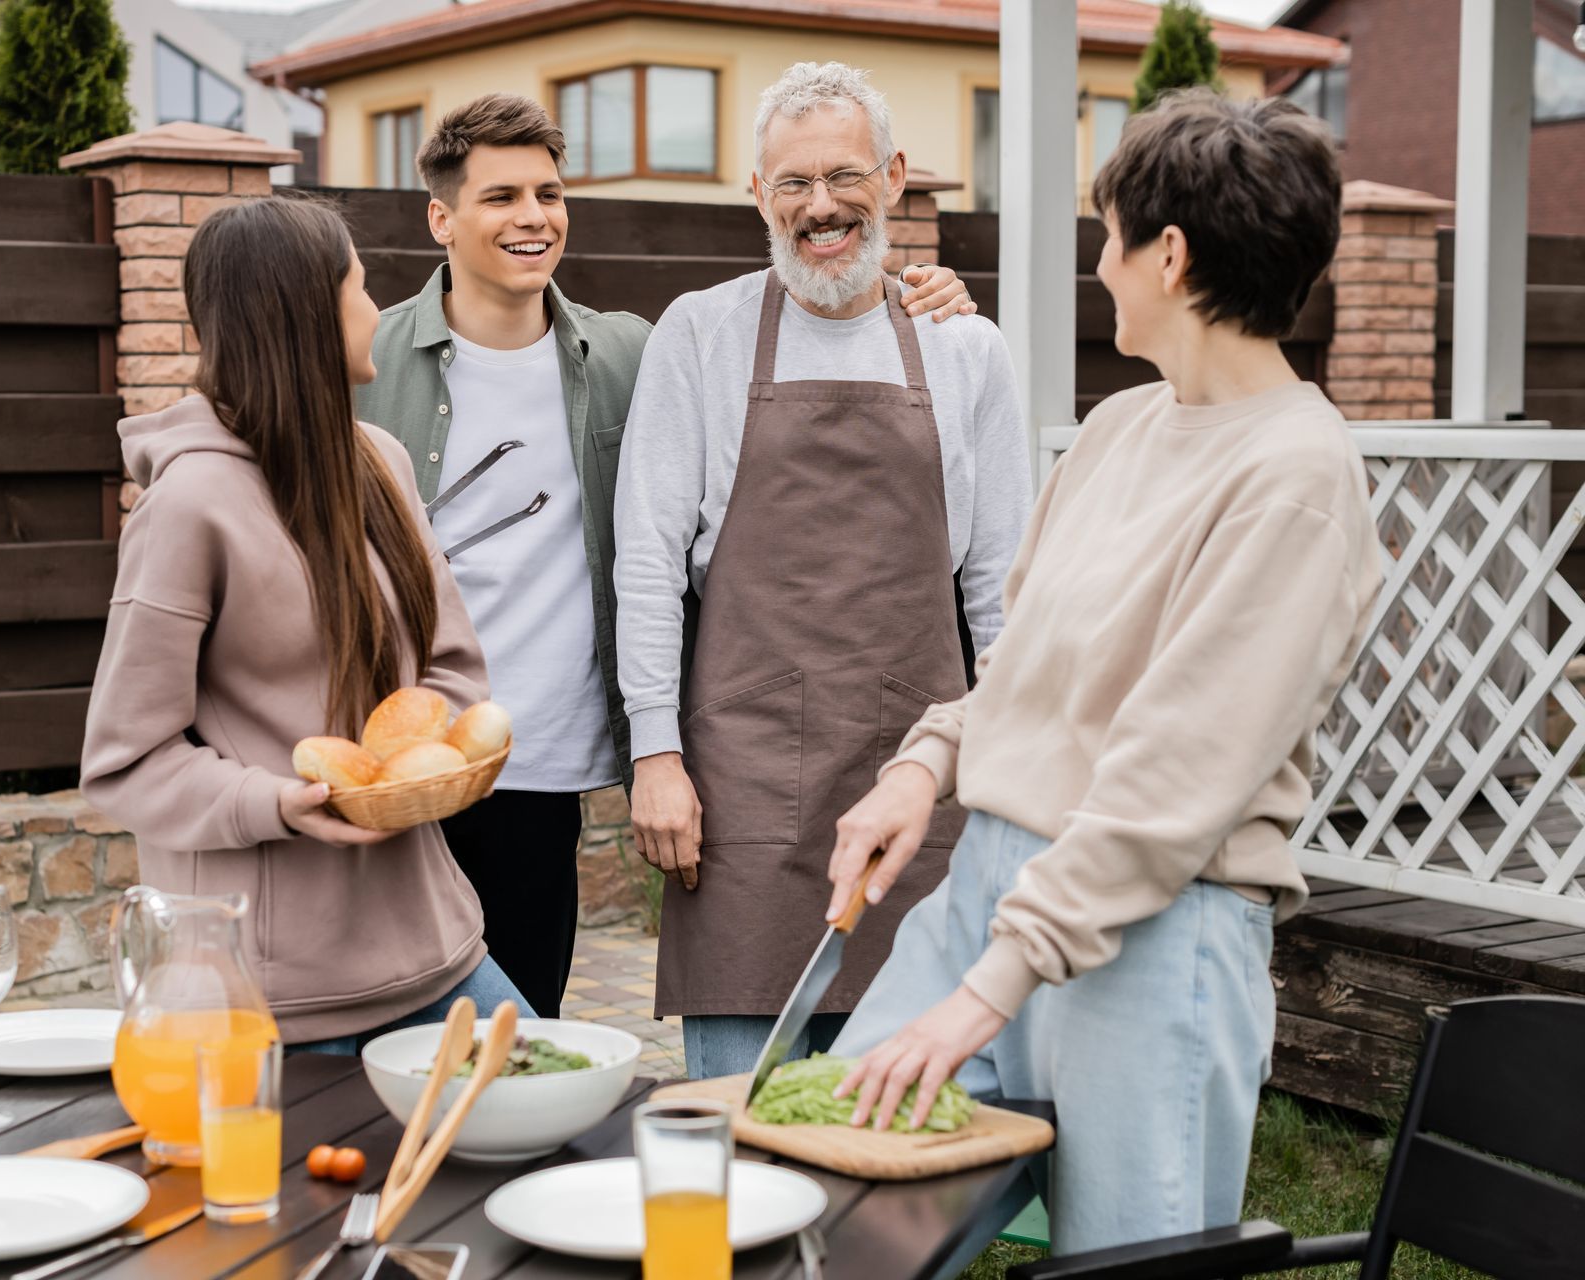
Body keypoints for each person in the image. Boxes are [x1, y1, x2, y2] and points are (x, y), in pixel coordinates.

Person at [823, 89, 1381, 1260]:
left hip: (1158, 926)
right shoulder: (1121, 428)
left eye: (1110, 233)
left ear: (1168, 255)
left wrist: (998, 981)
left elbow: (1177, 776)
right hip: (992, 881)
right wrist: (924, 766)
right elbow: (1022, 670)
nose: (1101, 261)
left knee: (1120, 1262)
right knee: (836, 1200)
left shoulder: (1295, 474)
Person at [354, 93, 980, 1018]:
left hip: (540, 760)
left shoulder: (625, 352)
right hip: (400, 749)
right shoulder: (370, 357)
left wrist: (917, 292)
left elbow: (812, 311)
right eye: (500, 197)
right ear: (442, 217)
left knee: (521, 1038)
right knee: (379, 1022)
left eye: (548, 193)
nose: (532, 217)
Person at [613, 62, 1032, 1080]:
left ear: (892, 178)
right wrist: (656, 753)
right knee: (737, 1121)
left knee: (903, 1124)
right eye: (791, 183)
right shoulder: (700, 334)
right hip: (743, 785)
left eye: (844, 176)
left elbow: (1004, 593)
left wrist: (1017, 773)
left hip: (916, 780)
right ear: (759, 196)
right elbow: (647, 558)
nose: (821, 207)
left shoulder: (965, 349)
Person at [80, 195, 532, 1052]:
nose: (377, 310)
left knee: (567, 1146)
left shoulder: (380, 463)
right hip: (275, 1001)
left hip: (440, 951)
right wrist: (276, 804)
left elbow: (453, 669)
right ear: (306, 315)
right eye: (359, 287)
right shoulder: (188, 507)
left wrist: (405, 771)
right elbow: (126, 761)